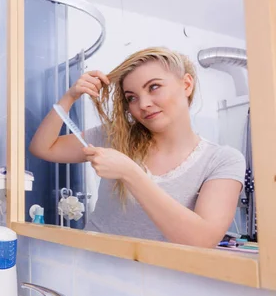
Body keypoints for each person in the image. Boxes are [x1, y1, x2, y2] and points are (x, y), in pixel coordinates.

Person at [29, 47, 245, 248]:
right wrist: (70, 97)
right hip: (89, 264)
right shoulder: (116, 136)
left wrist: (130, 172)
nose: (143, 104)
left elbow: (202, 240)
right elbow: (43, 148)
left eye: (154, 87)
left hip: (150, 282)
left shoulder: (223, 160)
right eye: (131, 97)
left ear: (187, 84)